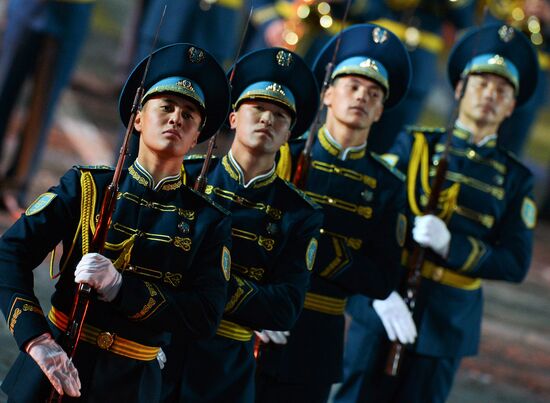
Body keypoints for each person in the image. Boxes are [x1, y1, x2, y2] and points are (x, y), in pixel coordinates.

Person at [0, 43, 233, 402]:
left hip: (131, 385)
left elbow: (205, 314)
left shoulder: (208, 220)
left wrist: (123, 290)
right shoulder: (85, 185)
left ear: (198, 137)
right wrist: (36, 338)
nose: (176, 118)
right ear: (138, 119)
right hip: (53, 370)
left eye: (189, 115)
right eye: (166, 107)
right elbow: (8, 253)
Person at [336, 23, 539, 403]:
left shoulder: (515, 179)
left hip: (447, 320)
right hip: (386, 300)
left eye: (501, 90)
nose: (489, 96)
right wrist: (376, 288)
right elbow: (374, 215)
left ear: (512, 106)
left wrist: (455, 247)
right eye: (481, 84)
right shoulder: (416, 144)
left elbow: (514, 262)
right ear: (460, 89)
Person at [255, 23, 412, 402]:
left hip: (317, 338)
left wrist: (321, 252)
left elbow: (382, 277)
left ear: (379, 112)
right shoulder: (283, 155)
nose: (361, 97)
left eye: (373, 94)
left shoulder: (386, 184)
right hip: (255, 321)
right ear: (327, 94)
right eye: (352, 86)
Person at [162, 47, 323, 403]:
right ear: (233, 118)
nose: (267, 119)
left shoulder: (299, 213)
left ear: (290, 133)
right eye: (258, 108)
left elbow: (285, 307)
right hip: (163, 343)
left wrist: (208, 288)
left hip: (225, 369)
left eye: (280, 115)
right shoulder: (184, 177)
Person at [0, 0, 95, 211]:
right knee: (4, 84)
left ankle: (16, 184)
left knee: (44, 102)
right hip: (28, 4)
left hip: (74, 7)